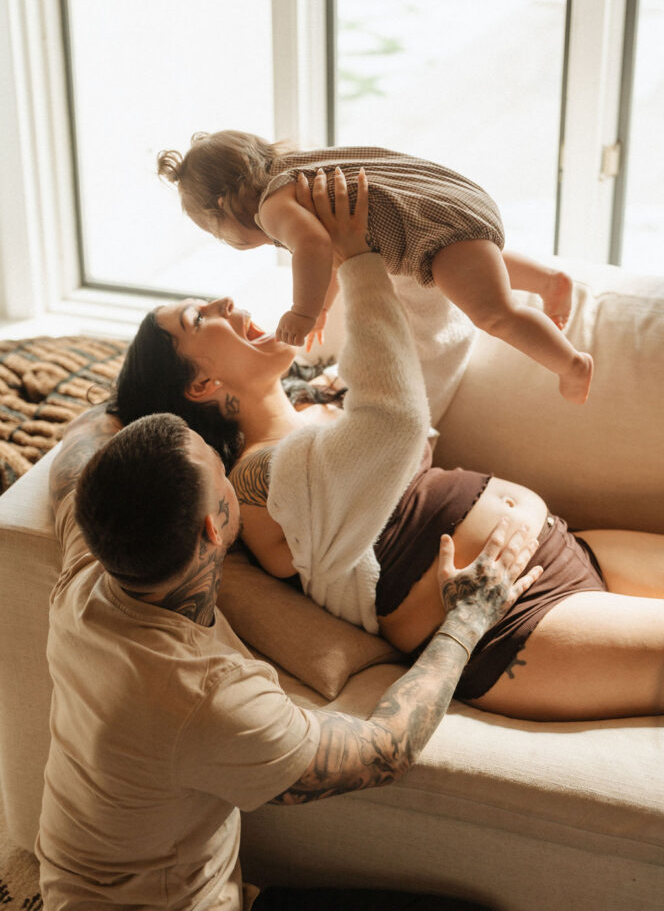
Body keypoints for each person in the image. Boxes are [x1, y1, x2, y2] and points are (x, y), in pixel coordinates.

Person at [35, 216, 543, 909]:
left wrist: (138, 399)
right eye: (217, 467)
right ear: (215, 527)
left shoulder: (88, 572)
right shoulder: (208, 696)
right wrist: (468, 619)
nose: (226, 462)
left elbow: (80, 447)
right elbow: (384, 751)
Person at [114, 168, 664, 724]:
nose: (224, 300)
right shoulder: (255, 481)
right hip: (513, 627)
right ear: (202, 385)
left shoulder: (326, 396)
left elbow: (434, 341)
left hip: (564, 546)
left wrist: (380, 230)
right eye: (198, 318)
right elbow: (395, 421)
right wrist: (355, 262)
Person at [156, 130, 593, 403]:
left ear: (223, 206)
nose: (228, 242)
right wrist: (323, 307)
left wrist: (302, 311)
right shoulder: (296, 171)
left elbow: (312, 246)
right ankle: (548, 281)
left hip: (428, 226)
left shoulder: (272, 207)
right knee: (463, 262)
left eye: (219, 234)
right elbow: (326, 255)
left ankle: (571, 364)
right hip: (445, 207)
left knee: (495, 314)